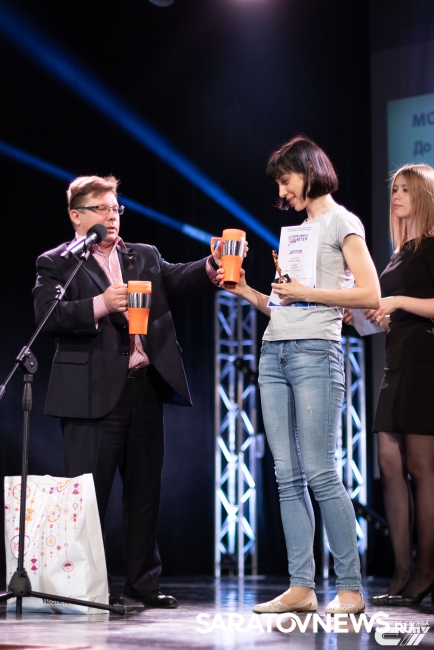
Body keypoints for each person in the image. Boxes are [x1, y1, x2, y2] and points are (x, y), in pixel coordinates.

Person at [33, 174, 221, 608]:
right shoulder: (57, 262)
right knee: (88, 498)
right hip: (90, 393)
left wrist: (211, 267)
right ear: (76, 215)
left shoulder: (143, 255)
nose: (112, 216)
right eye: (101, 209)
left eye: (116, 208)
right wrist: (102, 304)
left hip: (143, 387)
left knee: (144, 494)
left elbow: (176, 279)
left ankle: (143, 585)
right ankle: (85, 590)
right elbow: (48, 316)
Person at [218, 136, 380, 614]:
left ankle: (349, 588)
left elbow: (370, 293)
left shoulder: (343, 222)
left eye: (285, 181)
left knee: (321, 472)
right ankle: (301, 587)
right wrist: (247, 291)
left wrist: (307, 291)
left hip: (316, 352)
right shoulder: (298, 233)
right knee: (286, 476)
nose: (282, 192)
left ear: (308, 172)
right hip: (275, 353)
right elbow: (283, 305)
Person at [347, 164, 434, 607]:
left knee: (421, 468)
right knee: (388, 464)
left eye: (405, 190)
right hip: (394, 362)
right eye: (394, 189)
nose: (396, 196)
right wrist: (371, 316)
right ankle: (401, 570)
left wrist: (396, 301)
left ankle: (426, 571)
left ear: (424, 196)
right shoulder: (399, 254)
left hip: (424, 361)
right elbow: (393, 312)